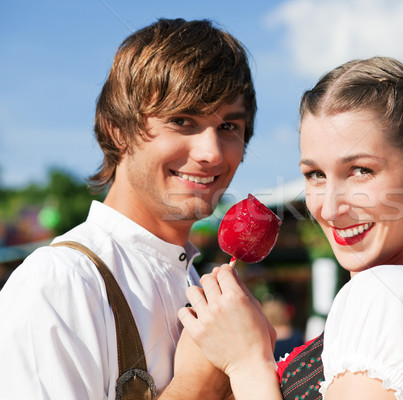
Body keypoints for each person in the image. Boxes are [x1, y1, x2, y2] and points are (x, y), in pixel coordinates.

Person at [178, 56, 403, 399]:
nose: (330, 209)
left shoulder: (386, 295)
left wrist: (246, 362)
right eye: (315, 175)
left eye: (361, 170)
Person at [0, 18, 256, 399]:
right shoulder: (60, 283)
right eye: (182, 120)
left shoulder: (196, 285)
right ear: (117, 129)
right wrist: (199, 384)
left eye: (229, 126)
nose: (212, 153)